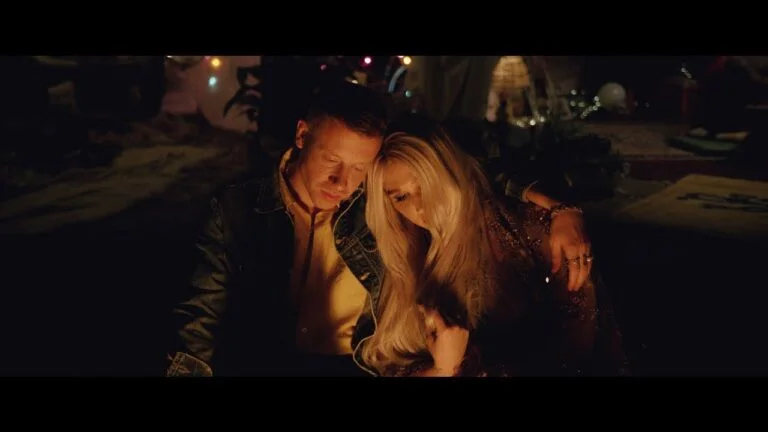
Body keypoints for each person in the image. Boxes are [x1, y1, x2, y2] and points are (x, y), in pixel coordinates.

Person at [165, 81, 594, 377]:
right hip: (267, 363)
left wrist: (558, 207)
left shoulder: (375, 197)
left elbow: (460, 170)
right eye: (332, 161)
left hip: (356, 366)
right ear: (301, 135)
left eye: (359, 168)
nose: (342, 183)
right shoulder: (237, 208)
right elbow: (199, 321)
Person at [358, 116, 629, 377]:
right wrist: (441, 370)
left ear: (450, 172)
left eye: (426, 185)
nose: (420, 206)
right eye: (401, 197)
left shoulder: (531, 228)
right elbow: (390, 364)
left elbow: (578, 348)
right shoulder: (401, 257)